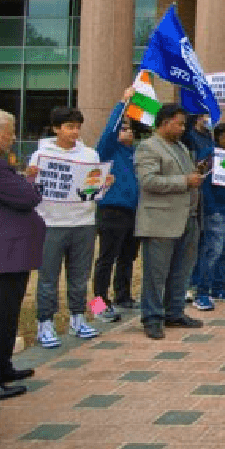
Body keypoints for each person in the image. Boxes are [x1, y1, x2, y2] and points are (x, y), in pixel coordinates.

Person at [27, 107, 112, 348]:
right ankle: (45, 322)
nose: (74, 132)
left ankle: (79, 317)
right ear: (56, 128)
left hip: (83, 222)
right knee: (48, 278)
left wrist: (105, 184)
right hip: (50, 223)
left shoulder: (90, 154)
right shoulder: (41, 154)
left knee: (79, 275)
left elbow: (94, 190)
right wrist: (30, 178)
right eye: (69, 127)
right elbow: (33, 188)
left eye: (77, 127)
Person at [0, 108, 45, 402]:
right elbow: (27, 197)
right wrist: (28, 182)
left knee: (6, 315)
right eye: (9, 132)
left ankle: (1, 366)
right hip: (0, 252)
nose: (13, 138)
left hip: (5, 252)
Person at [134, 104, 206, 340]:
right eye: (179, 123)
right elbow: (149, 181)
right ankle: (152, 317)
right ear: (165, 122)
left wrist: (197, 172)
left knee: (181, 271)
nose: (183, 128)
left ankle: (174, 312)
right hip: (161, 220)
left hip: (188, 217)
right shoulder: (148, 147)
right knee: (157, 273)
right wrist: (185, 181)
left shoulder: (181, 146)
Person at [91, 88, 141, 324]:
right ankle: (98, 304)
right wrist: (123, 103)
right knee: (106, 259)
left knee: (127, 257)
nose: (127, 132)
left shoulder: (135, 155)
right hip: (111, 210)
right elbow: (110, 131)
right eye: (123, 128)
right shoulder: (107, 150)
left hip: (133, 212)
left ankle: (123, 296)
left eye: (130, 128)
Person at [190, 123, 225, 312]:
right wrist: (211, 207)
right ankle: (201, 292)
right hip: (216, 211)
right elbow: (203, 181)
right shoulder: (210, 154)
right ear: (219, 137)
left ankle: (219, 288)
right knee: (212, 251)